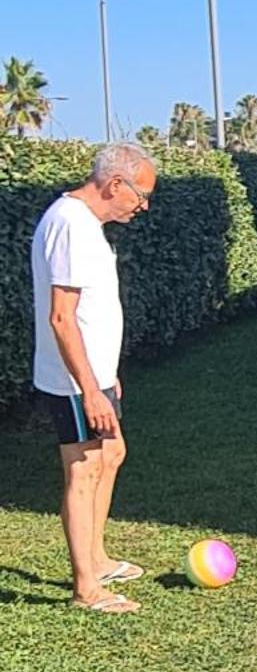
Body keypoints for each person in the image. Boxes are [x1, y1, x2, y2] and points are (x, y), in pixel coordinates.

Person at [30, 141, 157, 615]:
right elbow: (62, 318)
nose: (141, 206)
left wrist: (106, 374)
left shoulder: (86, 225)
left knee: (112, 454)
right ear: (115, 184)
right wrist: (88, 388)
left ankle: (98, 559)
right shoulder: (69, 225)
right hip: (71, 380)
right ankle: (86, 588)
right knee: (82, 471)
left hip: (93, 373)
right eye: (140, 196)